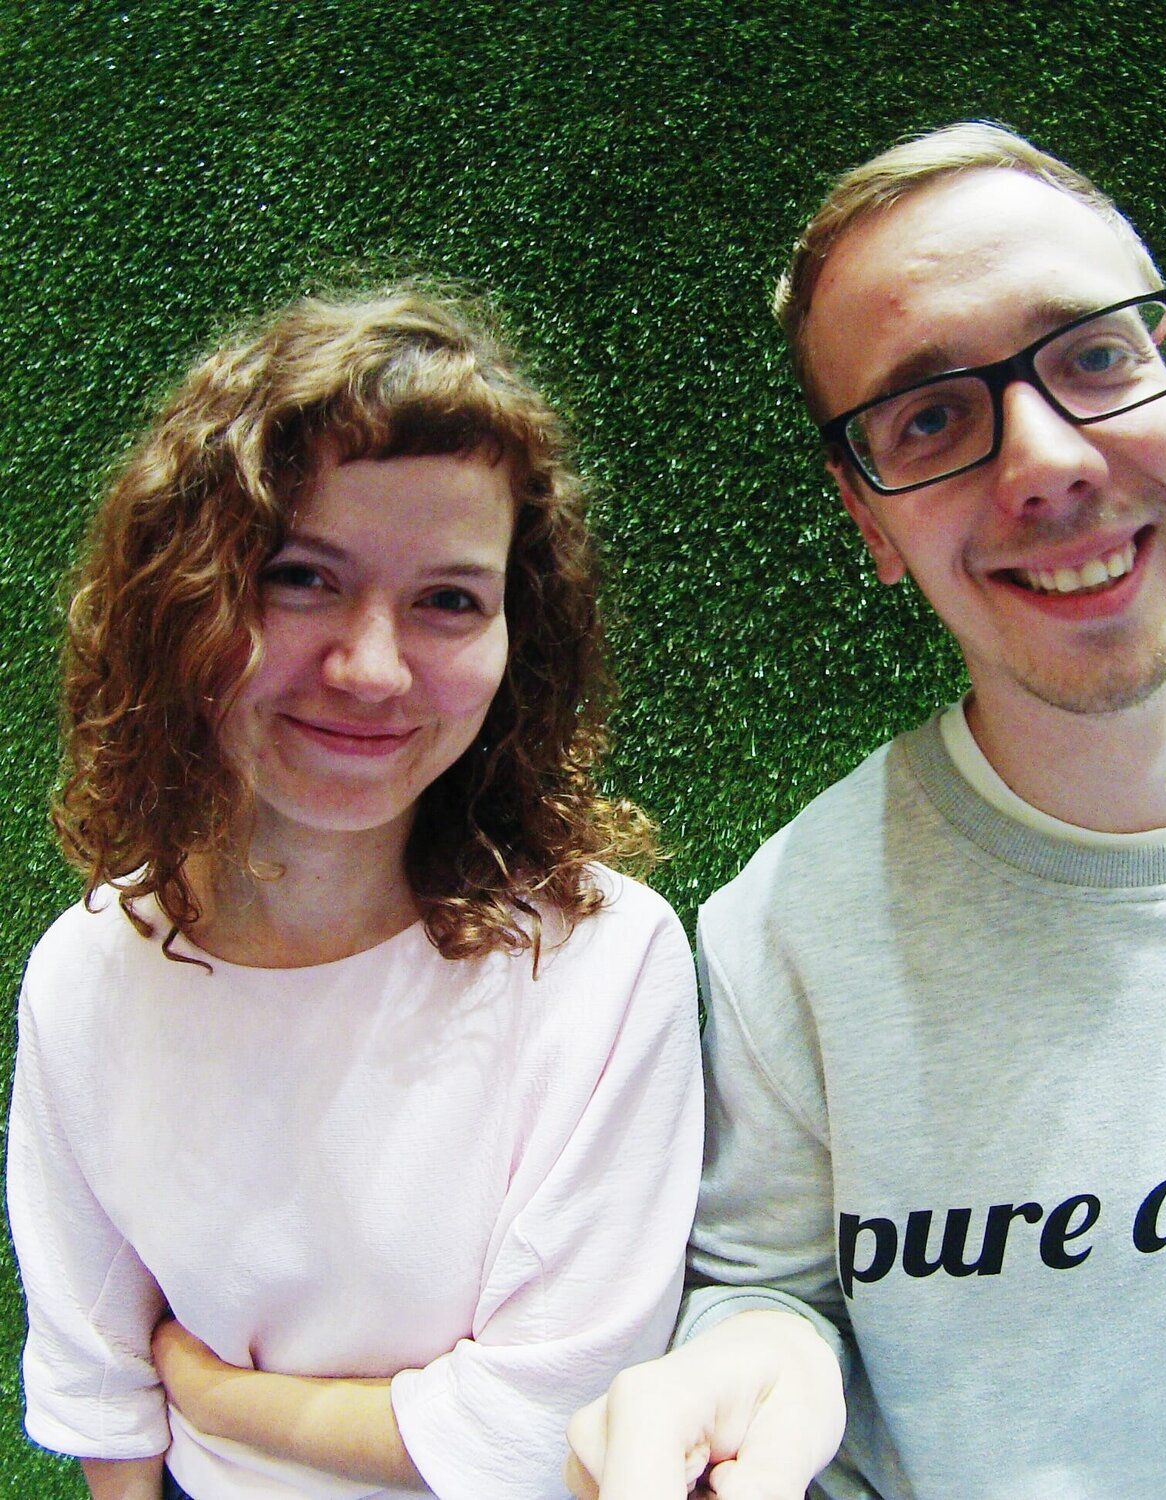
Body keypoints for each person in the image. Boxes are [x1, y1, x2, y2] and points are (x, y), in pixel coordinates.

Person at [564, 123, 1166, 1499]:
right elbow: (765, 1287)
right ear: (869, 518)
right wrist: (751, 1362)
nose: (1046, 462)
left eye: (1096, 356)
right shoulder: (784, 930)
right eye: (930, 417)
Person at [6, 288, 704, 1499]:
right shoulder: (87, 971)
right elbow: (100, 1393)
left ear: (516, 639)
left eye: (449, 600)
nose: (372, 668)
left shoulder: (603, 961)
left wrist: (218, 1396)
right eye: (301, 578)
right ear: (182, 599)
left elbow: (547, 1433)